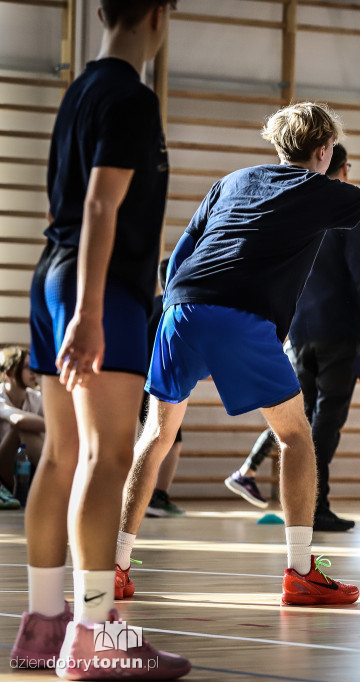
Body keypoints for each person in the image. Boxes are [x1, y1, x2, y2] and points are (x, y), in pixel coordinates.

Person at [115, 101, 360, 607]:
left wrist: (186, 319)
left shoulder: (233, 180)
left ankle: (118, 566)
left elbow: (182, 253)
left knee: (156, 434)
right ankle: (301, 573)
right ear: (323, 151)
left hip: (181, 308)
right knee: (296, 437)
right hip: (243, 316)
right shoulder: (321, 191)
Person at [9, 1, 191, 678]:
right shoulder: (131, 97)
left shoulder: (78, 93)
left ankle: (43, 625)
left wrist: (67, 298)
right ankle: (94, 635)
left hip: (50, 275)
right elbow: (97, 205)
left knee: (60, 455)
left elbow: (57, 206)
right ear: (155, 12)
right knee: (104, 455)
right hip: (100, 288)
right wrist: (89, 310)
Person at [224, 143, 360, 532]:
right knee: (326, 422)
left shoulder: (294, 209)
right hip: (338, 332)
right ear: (343, 168)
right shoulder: (348, 211)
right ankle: (315, 506)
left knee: (297, 420)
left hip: (297, 331)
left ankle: (301, 503)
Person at [143, 257, 184, 518]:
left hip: (136, 380)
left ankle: (142, 496)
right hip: (161, 383)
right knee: (170, 441)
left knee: (148, 439)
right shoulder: (175, 307)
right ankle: (157, 496)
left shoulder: (149, 306)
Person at [0, 346, 44, 510]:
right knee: (21, 427)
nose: (33, 371)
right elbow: (17, 420)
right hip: (4, 469)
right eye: (27, 367)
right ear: (9, 373)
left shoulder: (35, 398)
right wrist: (53, 426)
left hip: (27, 469)